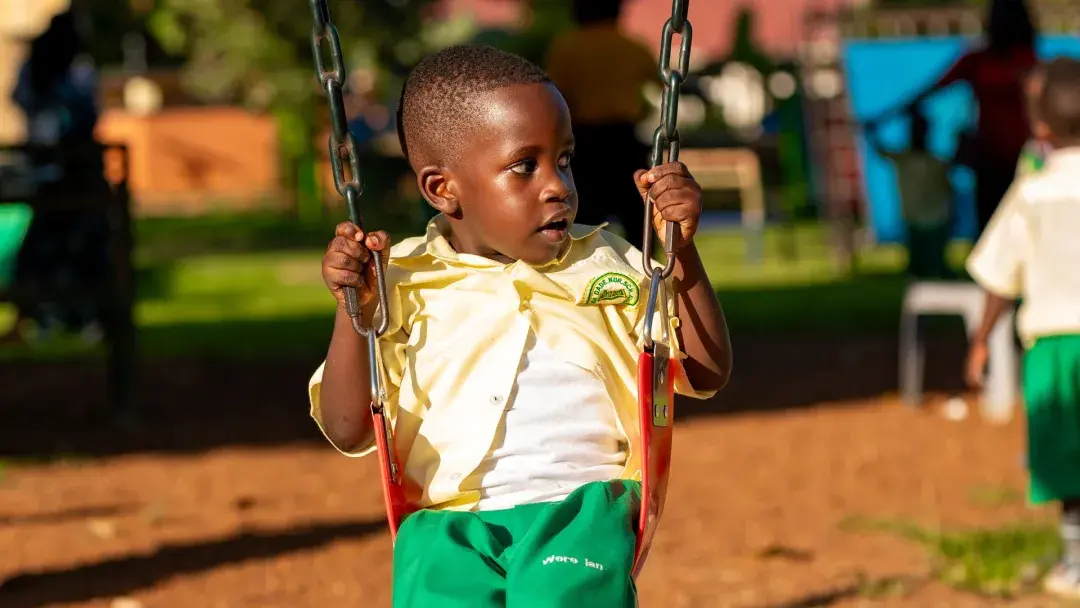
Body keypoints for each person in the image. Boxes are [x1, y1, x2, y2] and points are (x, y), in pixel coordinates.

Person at [312, 45, 732, 606]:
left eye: (564, 159)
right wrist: (352, 312)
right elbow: (348, 428)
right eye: (524, 165)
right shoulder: (398, 283)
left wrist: (679, 250)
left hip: (579, 512)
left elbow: (705, 372)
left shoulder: (609, 263)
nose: (557, 184)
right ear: (443, 189)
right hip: (445, 525)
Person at [965, 56, 1080, 600]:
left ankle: (1075, 563)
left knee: (1063, 458)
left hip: (1054, 348)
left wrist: (982, 339)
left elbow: (999, 276)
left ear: (1039, 127)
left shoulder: (1030, 193)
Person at [878, 0, 1038, 236]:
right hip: (995, 156)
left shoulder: (1007, 60)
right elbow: (934, 87)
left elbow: (932, 88)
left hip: (1020, 156)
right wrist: (886, 115)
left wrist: (886, 115)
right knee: (996, 224)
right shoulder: (994, 60)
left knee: (1010, 223)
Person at [4, 9, 109, 344]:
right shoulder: (49, 75)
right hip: (53, 177)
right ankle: (42, 317)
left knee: (75, 248)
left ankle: (82, 317)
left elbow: (83, 120)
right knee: (44, 249)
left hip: (71, 177)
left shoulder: (73, 75)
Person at [544, 0, 657, 250]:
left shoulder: (566, 47)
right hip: (624, 138)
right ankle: (644, 268)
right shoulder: (631, 46)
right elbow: (659, 85)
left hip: (584, 140)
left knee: (583, 212)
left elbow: (555, 94)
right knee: (637, 213)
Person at [866, 106, 954, 279]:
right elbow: (879, 148)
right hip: (915, 219)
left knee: (936, 265)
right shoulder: (904, 158)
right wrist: (873, 130)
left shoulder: (935, 162)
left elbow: (948, 189)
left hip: (936, 219)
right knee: (919, 267)